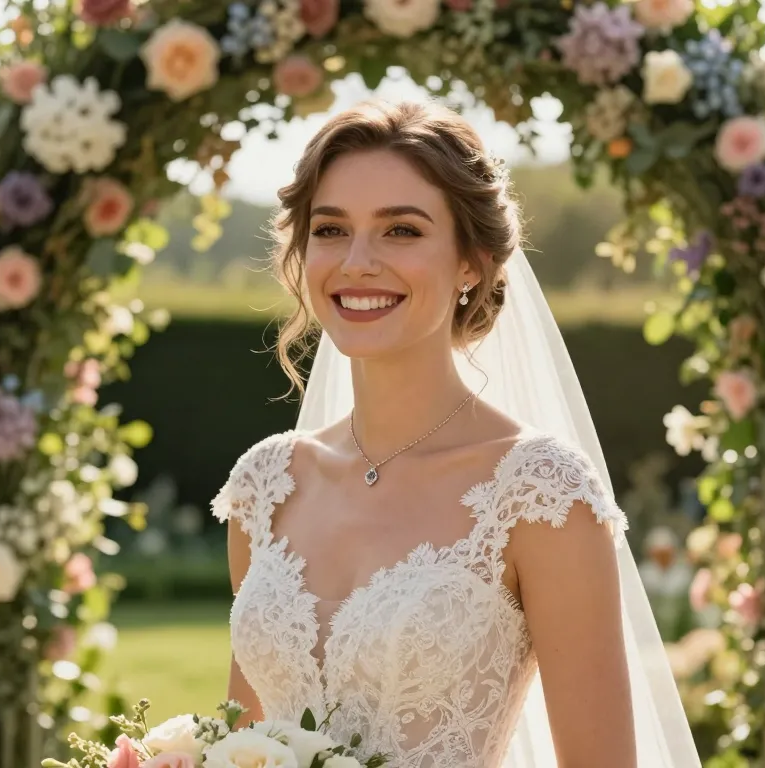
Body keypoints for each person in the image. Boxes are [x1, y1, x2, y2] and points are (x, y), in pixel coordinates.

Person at [211, 99, 700, 768]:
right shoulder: (266, 485)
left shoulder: (538, 493)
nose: (356, 262)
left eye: (401, 231)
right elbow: (241, 743)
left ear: (472, 261)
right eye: (330, 229)